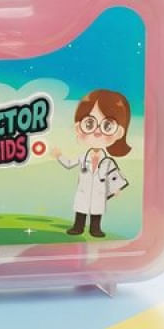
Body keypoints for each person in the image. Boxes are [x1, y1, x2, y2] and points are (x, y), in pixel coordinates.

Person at [51, 89, 131, 238]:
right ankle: (78, 227)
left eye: (107, 126)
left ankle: (95, 229)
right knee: (81, 209)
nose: (97, 132)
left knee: (96, 212)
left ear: (119, 132)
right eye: (89, 124)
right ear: (78, 128)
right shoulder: (83, 157)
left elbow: (114, 175)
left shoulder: (108, 161)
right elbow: (69, 163)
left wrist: (116, 189)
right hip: (84, 191)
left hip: (99, 192)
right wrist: (59, 156)